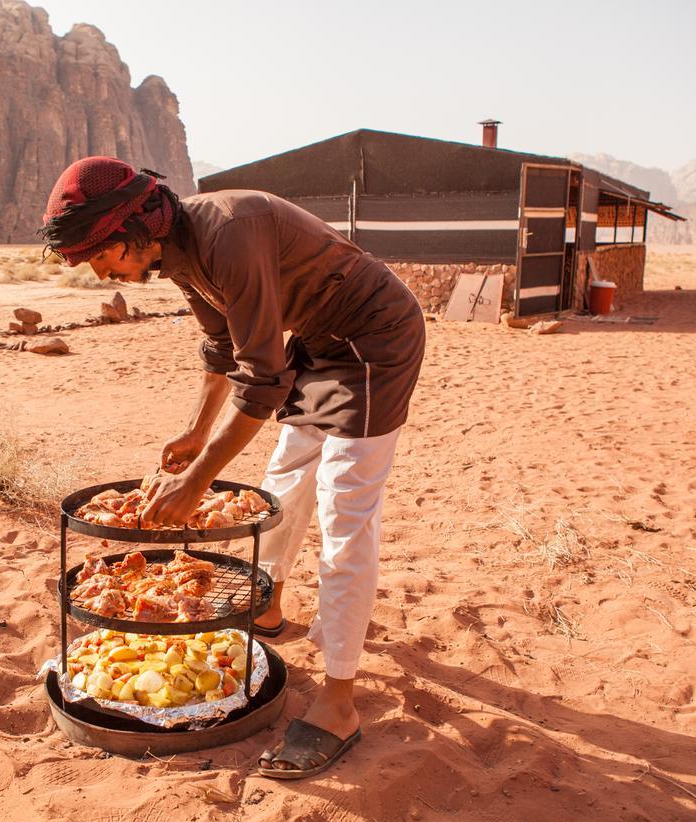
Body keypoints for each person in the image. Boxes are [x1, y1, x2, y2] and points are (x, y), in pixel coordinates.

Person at [40, 156, 425, 779]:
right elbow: (224, 348)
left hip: (376, 337)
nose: (99, 269)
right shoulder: (177, 254)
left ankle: (338, 704)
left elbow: (263, 380)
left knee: (344, 508)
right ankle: (267, 605)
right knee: (285, 481)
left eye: (100, 252)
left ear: (137, 224)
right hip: (319, 345)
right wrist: (197, 432)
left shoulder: (229, 232)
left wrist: (196, 484)